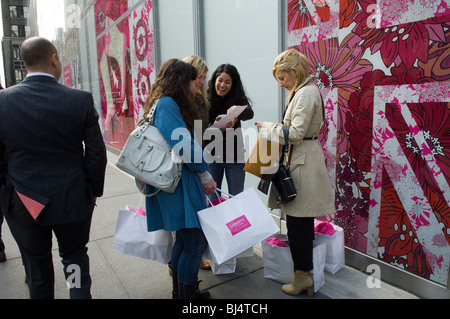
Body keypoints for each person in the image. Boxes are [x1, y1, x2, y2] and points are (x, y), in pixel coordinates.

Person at [0, 37, 107, 299]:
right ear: (54, 58)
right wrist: (92, 190)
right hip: (71, 199)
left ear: (24, 63)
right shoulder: (80, 99)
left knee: (37, 267)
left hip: (23, 202)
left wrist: (6, 193)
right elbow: (96, 154)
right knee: (73, 258)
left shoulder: (3, 101)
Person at [255, 49, 335, 297]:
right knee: (301, 222)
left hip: (302, 161)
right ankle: (304, 275)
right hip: (302, 159)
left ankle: (302, 277)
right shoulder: (303, 91)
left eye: (282, 77)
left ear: (294, 71)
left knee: (298, 223)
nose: (281, 83)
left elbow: (297, 133)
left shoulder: (305, 93)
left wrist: (270, 128)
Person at [143, 59, 216, 299]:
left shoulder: (161, 102)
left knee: (185, 240)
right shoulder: (167, 104)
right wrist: (204, 173)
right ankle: (187, 296)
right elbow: (183, 143)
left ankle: (181, 292)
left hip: (171, 182)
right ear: (181, 82)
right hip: (178, 183)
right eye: (193, 82)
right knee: (194, 241)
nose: (196, 87)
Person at [206, 64, 253, 197]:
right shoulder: (206, 99)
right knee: (212, 197)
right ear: (215, 80)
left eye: (227, 82)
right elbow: (202, 130)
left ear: (233, 84)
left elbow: (250, 113)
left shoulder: (238, 99)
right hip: (213, 155)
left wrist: (237, 110)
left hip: (234, 156)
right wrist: (215, 125)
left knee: (236, 197)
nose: (222, 85)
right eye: (220, 80)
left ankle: (235, 219)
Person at [183, 55, 211, 271]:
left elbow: (201, 130)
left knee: (195, 215)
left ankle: (190, 258)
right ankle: (183, 261)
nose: (202, 81)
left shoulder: (201, 98)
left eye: (204, 77)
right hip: (188, 162)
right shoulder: (180, 100)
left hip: (198, 156)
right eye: (199, 76)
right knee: (187, 218)